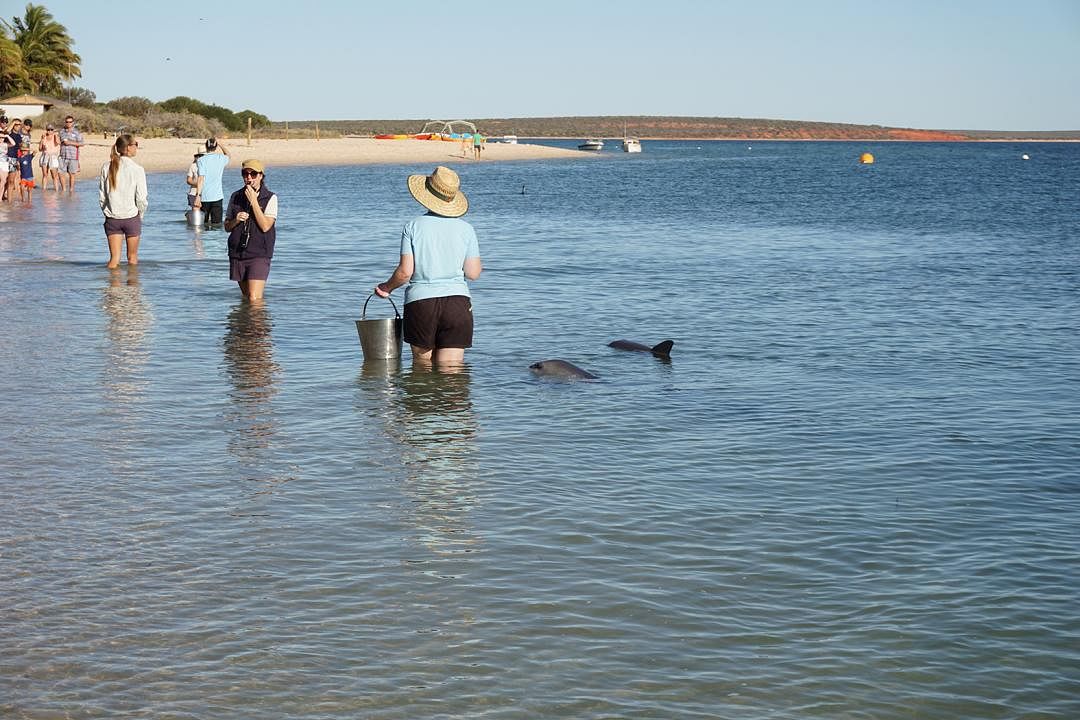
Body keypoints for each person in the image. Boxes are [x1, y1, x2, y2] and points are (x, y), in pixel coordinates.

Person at [374, 166, 482, 367]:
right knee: (451, 375)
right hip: (457, 304)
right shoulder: (467, 229)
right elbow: (473, 273)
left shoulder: (413, 226)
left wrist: (386, 288)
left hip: (421, 304)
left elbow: (405, 273)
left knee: (422, 371)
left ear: (428, 194)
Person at [223, 159, 278, 301]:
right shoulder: (235, 196)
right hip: (237, 253)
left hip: (259, 253)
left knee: (254, 298)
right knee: (246, 297)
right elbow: (227, 227)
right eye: (245, 174)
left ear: (261, 176)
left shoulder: (270, 198)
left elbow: (266, 226)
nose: (249, 178)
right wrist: (236, 220)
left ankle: (258, 323)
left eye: (253, 174)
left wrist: (254, 201)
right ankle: (245, 324)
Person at [98, 134, 148, 268]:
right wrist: (140, 215)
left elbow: (102, 196)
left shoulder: (106, 167)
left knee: (114, 260)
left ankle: (112, 288)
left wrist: (107, 212)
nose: (137, 147)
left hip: (112, 217)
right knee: (132, 258)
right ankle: (133, 288)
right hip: (131, 217)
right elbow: (141, 198)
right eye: (135, 144)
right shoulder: (138, 169)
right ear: (128, 148)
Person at [193, 136, 230, 227]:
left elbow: (201, 178)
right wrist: (221, 144)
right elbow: (228, 154)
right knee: (217, 225)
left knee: (203, 224)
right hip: (217, 196)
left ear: (206, 147)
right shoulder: (221, 158)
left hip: (204, 197)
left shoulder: (201, 160)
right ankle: (215, 241)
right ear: (216, 147)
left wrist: (198, 196)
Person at [58, 115, 84, 192]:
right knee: (60, 173)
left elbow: (82, 143)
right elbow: (59, 141)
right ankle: (64, 190)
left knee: (71, 174)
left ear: (73, 122)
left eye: (70, 122)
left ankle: (71, 190)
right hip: (63, 155)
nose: (68, 123)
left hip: (73, 156)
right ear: (65, 122)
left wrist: (70, 143)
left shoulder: (77, 132)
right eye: (67, 122)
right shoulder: (62, 131)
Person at [4, 118, 24, 202]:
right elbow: (6, 131)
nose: (18, 126)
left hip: (15, 159)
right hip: (6, 158)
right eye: (16, 124)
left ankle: (9, 201)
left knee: (11, 181)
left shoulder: (19, 136)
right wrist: (13, 123)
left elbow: (20, 149)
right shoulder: (8, 134)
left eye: (19, 124)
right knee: (4, 180)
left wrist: (19, 160)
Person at [38, 123, 61, 190]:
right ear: (46, 130)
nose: (50, 131)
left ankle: (56, 190)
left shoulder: (55, 136)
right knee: (45, 175)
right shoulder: (44, 137)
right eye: (48, 129)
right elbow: (40, 149)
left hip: (53, 157)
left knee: (54, 175)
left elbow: (58, 142)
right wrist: (42, 140)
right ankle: (44, 190)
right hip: (45, 156)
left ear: (53, 130)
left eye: (51, 130)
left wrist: (56, 135)